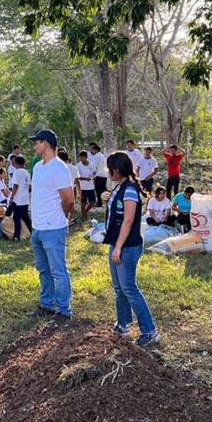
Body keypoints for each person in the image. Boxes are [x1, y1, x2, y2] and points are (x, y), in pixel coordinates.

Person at [104, 152, 160, 347]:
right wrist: (108, 198)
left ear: (117, 170)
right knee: (119, 287)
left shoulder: (129, 190)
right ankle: (123, 324)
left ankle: (149, 331)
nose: (107, 171)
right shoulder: (121, 187)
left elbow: (128, 220)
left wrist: (118, 247)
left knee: (128, 287)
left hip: (127, 246)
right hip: (117, 244)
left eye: (109, 168)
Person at [29, 129, 75, 324]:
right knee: (43, 269)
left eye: (36, 142)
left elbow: (69, 199)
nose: (34, 146)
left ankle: (64, 309)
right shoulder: (38, 167)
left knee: (58, 270)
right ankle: (47, 304)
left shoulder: (59, 167)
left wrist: (62, 216)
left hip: (53, 227)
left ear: (45, 144)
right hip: (37, 227)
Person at [8, 155, 32, 240]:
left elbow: (15, 186)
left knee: (16, 217)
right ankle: (32, 232)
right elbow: (30, 187)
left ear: (15, 163)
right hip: (25, 200)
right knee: (25, 218)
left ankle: (16, 236)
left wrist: (12, 197)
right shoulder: (27, 173)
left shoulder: (17, 172)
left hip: (18, 200)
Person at [58, 150, 80, 219]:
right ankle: (69, 221)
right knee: (70, 210)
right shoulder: (73, 168)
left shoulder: (56, 168)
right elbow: (77, 182)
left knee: (60, 210)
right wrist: (79, 193)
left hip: (59, 192)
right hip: (70, 192)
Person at [77, 150, 97, 219]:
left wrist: (93, 177)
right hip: (83, 187)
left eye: (82, 157)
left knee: (93, 202)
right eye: (80, 158)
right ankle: (83, 216)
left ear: (86, 157)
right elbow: (78, 177)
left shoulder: (92, 164)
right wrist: (85, 179)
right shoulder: (78, 166)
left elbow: (95, 173)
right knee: (83, 203)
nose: (81, 159)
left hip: (91, 187)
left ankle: (85, 212)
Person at [89, 143, 107, 207]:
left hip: (99, 175)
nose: (91, 151)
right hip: (104, 174)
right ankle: (106, 201)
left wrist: (93, 174)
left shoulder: (96, 156)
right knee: (104, 189)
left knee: (98, 190)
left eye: (92, 150)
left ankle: (99, 203)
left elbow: (94, 166)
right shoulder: (102, 156)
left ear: (96, 150)